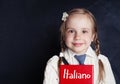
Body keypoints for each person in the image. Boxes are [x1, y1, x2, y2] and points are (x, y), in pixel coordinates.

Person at [43, 8, 116, 84]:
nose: (77, 37)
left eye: (84, 31)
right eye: (71, 31)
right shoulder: (54, 64)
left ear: (93, 36)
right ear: (64, 35)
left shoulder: (102, 62)